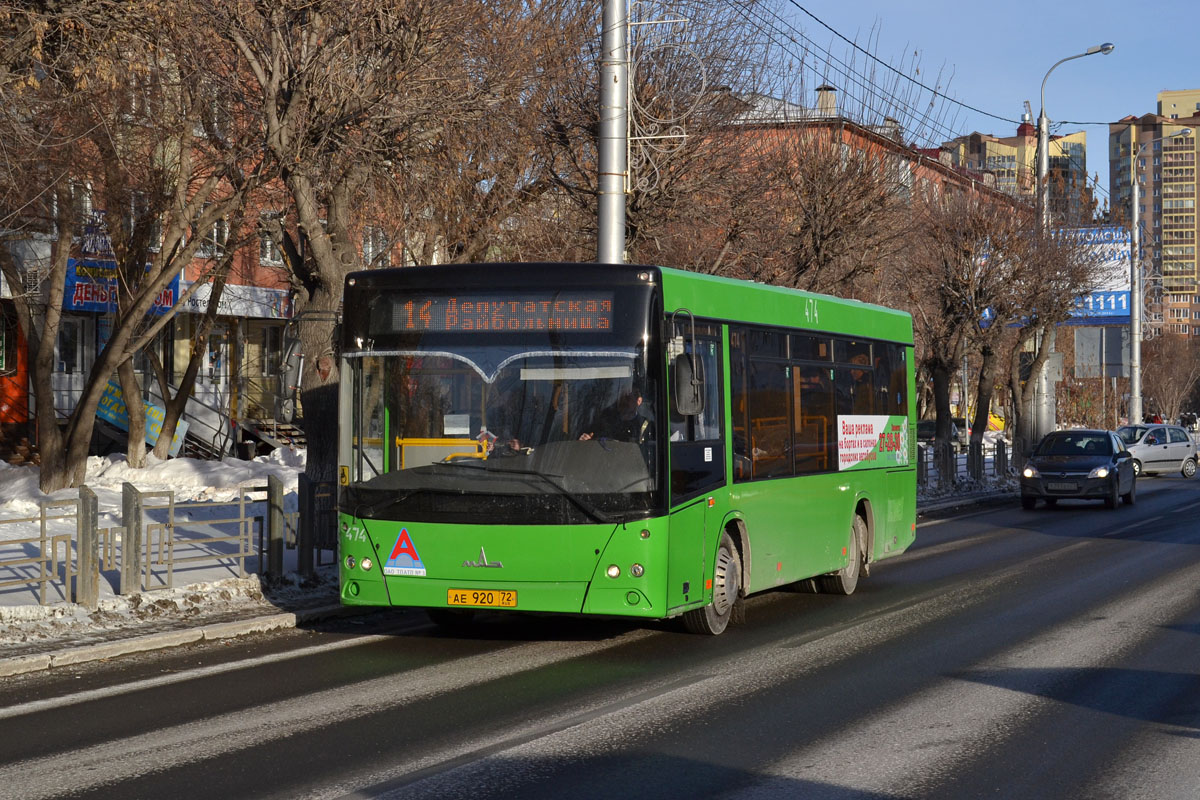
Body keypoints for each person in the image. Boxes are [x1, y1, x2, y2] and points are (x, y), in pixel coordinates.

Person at [579, 390, 650, 443]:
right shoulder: (606, 418)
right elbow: (590, 435)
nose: (623, 401)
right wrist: (586, 440)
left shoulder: (645, 426)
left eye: (628, 398)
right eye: (620, 397)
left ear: (639, 401)